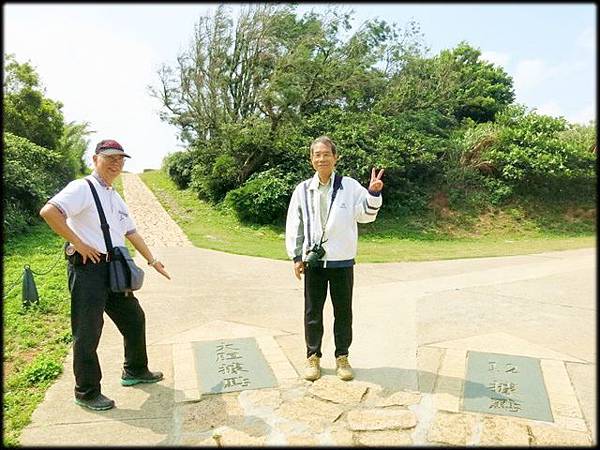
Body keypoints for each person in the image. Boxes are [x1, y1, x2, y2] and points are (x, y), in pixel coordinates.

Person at [39, 139, 171, 411]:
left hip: (112, 270)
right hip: (87, 269)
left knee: (134, 318)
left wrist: (152, 259)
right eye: (110, 158)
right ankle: (86, 392)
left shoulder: (114, 195)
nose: (116, 163)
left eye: (121, 159)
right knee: (88, 332)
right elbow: (49, 211)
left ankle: (134, 370)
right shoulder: (82, 188)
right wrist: (79, 242)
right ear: (95, 159)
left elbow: (131, 232)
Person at [285, 136, 384, 381]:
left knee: (343, 312)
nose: (322, 158)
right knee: (312, 312)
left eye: (326, 154)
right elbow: (294, 224)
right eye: (317, 154)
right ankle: (313, 358)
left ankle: (342, 357)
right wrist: (296, 256)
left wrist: (372, 193)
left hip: (342, 261)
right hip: (313, 262)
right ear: (311, 160)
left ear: (335, 157)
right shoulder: (302, 189)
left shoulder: (349, 187)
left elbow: (366, 216)